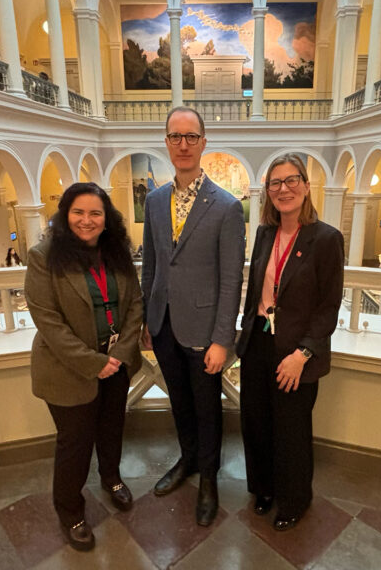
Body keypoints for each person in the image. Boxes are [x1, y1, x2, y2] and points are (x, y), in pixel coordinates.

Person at [141, 106, 245, 526]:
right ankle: (186, 461)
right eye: (175, 136)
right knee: (179, 402)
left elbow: (231, 280)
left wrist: (223, 339)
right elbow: (152, 264)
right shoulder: (153, 200)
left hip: (205, 331)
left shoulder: (226, 207)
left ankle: (209, 479)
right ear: (166, 142)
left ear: (203, 142)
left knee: (207, 407)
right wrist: (148, 320)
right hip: (164, 325)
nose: (183, 144)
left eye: (191, 137)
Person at [25, 182, 143, 552]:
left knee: (112, 429)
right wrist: (94, 363)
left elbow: (135, 305)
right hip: (68, 370)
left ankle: (111, 479)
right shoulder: (44, 256)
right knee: (74, 445)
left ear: (106, 219)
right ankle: (71, 510)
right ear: (65, 215)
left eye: (95, 213)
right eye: (78, 212)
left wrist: (120, 355)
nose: (87, 220)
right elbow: (49, 322)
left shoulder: (116, 252)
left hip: (116, 363)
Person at [236, 154, 344, 532]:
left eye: (291, 180)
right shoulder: (265, 232)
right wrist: (246, 335)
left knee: (291, 431)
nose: (283, 189)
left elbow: (329, 306)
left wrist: (303, 353)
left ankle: (295, 499)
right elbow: (257, 292)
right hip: (258, 344)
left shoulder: (327, 239)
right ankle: (263, 489)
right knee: (256, 422)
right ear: (267, 192)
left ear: (307, 185)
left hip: (296, 351)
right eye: (275, 183)